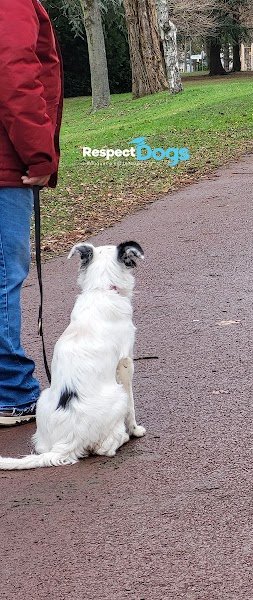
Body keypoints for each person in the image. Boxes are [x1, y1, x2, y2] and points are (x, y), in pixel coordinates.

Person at [0, 0, 63, 426]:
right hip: (6, 163)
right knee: (5, 273)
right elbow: (16, 77)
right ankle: (11, 392)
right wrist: (40, 156)